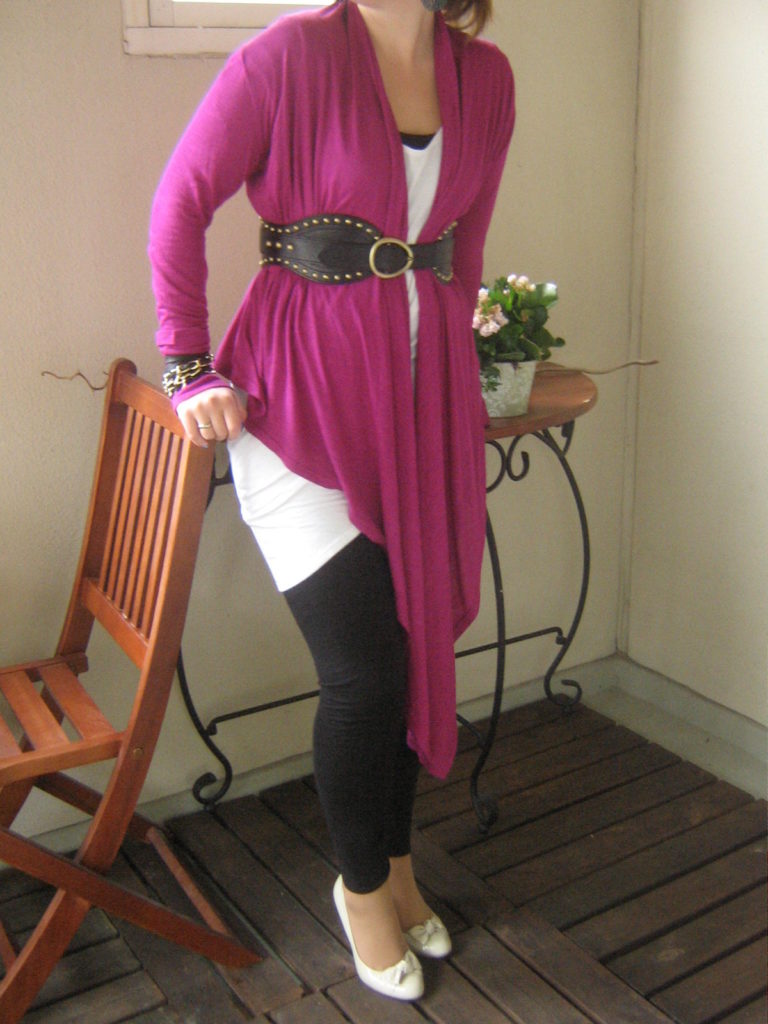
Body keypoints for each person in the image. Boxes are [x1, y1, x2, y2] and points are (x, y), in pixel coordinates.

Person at [149, 0, 514, 1001]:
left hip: (417, 408)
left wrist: (457, 383)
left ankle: (396, 865)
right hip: (295, 406)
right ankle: (360, 892)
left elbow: (468, 244)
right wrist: (187, 366)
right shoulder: (286, 57)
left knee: (408, 646)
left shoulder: (486, 79)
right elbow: (180, 200)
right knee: (364, 671)